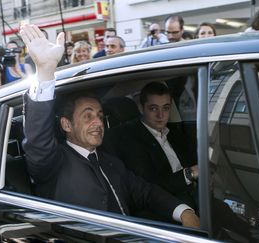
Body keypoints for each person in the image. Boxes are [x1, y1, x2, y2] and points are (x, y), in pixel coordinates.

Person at [20, 24, 200, 228]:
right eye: (87, 117)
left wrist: (183, 211)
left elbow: (145, 192)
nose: (98, 122)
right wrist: (45, 72)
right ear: (66, 124)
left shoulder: (110, 161)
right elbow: (37, 142)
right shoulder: (53, 163)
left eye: (99, 115)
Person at [103, 82, 198, 209]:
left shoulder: (173, 132)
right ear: (142, 109)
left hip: (195, 195)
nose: (161, 115)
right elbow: (150, 186)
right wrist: (190, 173)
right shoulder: (130, 140)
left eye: (165, 108)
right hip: (168, 207)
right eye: (153, 108)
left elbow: (191, 160)